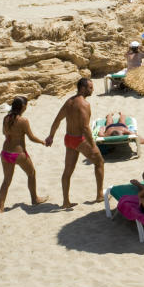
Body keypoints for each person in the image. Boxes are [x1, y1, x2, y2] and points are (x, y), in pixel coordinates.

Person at [45, 78, 105, 208]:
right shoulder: (84, 104)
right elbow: (85, 128)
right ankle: (100, 195)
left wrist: (51, 136)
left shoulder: (69, 102)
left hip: (69, 139)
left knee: (67, 171)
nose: (92, 89)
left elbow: (57, 120)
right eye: (90, 87)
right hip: (80, 140)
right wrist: (93, 145)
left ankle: (66, 202)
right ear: (82, 88)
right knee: (99, 162)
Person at [0, 96, 48, 213]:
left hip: (5, 153)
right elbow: (31, 137)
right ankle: (35, 199)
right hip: (18, 153)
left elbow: (4, 132)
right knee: (31, 173)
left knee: (6, 180)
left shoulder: (6, 118)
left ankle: (0, 208)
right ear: (23, 107)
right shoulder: (23, 121)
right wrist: (42, 141)